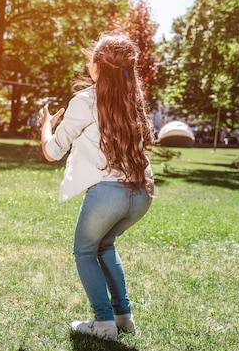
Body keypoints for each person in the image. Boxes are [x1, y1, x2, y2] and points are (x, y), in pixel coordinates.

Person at [39, 33, 155, 342]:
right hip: (142, 192)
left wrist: (46, 127)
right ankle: (123, 319)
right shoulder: (134, 100)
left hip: (109, 194)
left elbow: (52, 151)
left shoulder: (86, 100)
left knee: (85, 250)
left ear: (98, 68)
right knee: (105, 246)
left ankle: (103, 324)